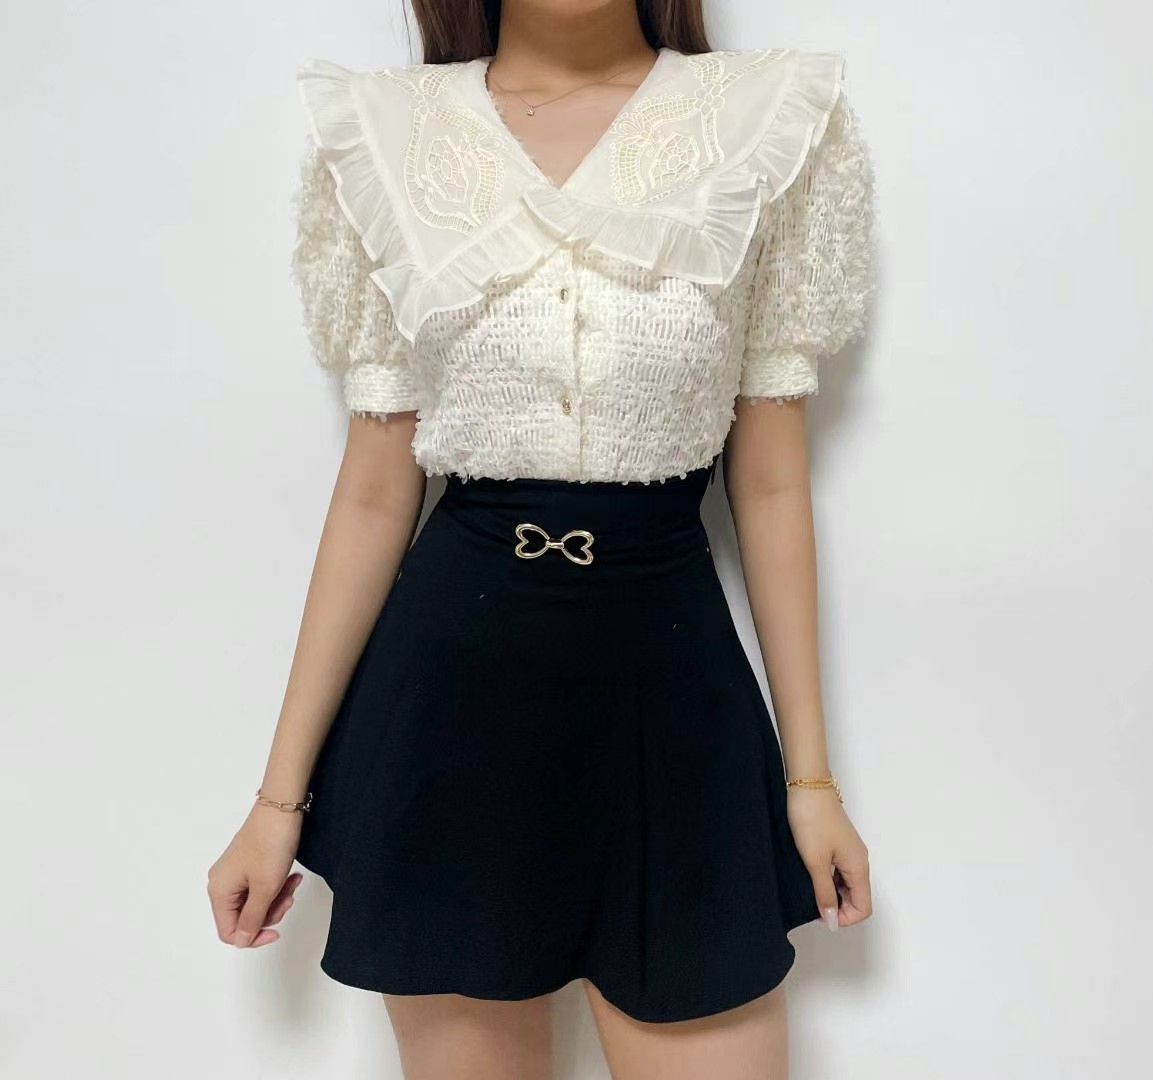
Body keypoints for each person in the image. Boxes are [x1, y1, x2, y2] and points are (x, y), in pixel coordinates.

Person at [207, 1, 875, 1076]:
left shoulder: (766, 118)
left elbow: (768, 479)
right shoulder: (386, 133)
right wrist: (275, 802)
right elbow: (375, 492)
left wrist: (812, 785)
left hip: (672, 699)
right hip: (450, 700)